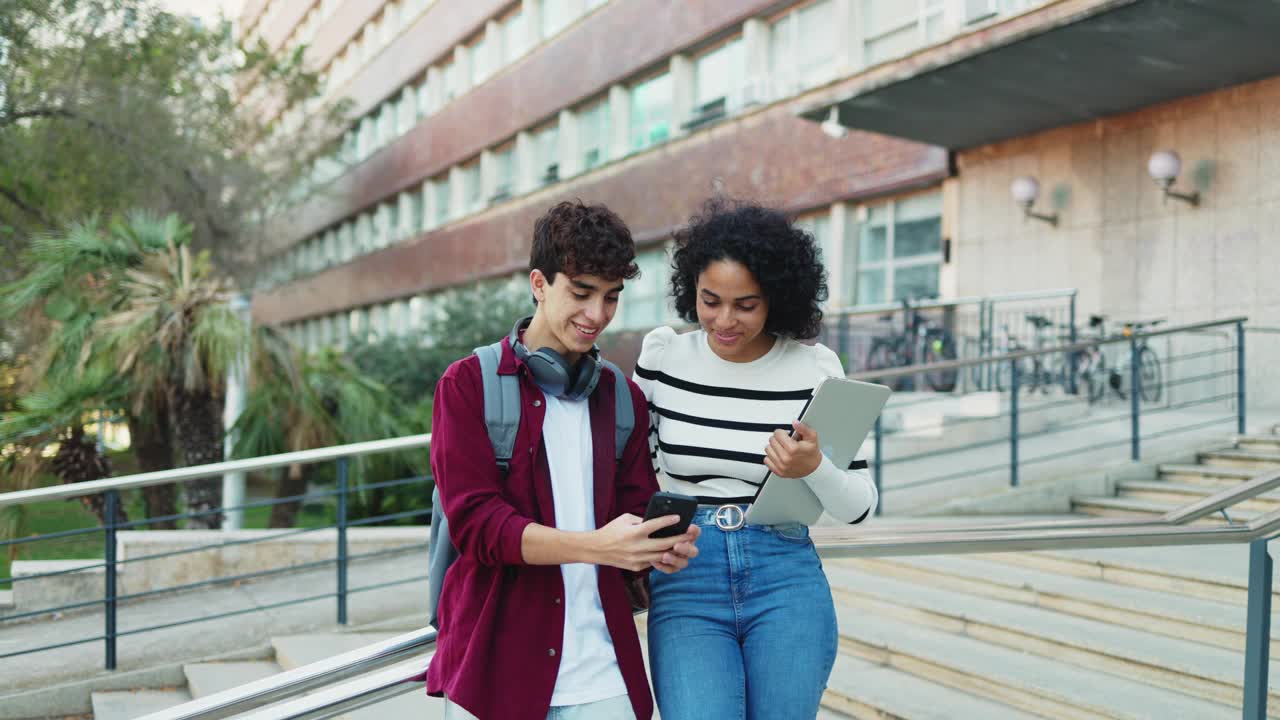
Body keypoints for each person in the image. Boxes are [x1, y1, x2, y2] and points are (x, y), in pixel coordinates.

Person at [426, 200, 701, 720]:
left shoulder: (623, 398)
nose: (596, 314)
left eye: (611, 297)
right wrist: (595, 547)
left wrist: (656, 546)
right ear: (539, 283)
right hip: (494, 673)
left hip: (603, 672)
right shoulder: (467, 385)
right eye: (581, 292)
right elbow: (476, 525)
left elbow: (636, 509)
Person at [634, 198, 877, 720]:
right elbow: (632, 473)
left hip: (784, 572)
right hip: (687, 572)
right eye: (710, 300)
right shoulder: (662, 357)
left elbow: (859, 506)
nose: (724, 320)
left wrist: (812, 467)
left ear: (776, 299)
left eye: (746, 304)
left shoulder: (814, 369)